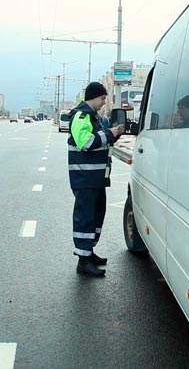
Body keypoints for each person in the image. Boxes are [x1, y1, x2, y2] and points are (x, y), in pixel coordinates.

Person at [68, 82, 125, 277]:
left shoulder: (94, 118)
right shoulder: (81, 116)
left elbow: (99, 141)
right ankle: (83, 261)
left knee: (96, 215)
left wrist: (113, 135)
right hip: (85, 178)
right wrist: (110, 133)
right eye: (102, 98)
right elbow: (86, 142)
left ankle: (89, 252)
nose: (103, 102)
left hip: (96, 178)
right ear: (94, 96)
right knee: (85, 217)